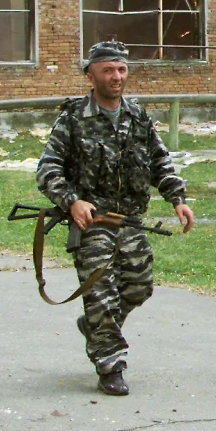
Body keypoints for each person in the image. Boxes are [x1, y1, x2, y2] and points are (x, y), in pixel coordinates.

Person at [36, 41, 194, 397]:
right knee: (100, 292)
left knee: (139, 285)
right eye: (108, 70)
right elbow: (48, 169)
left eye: (121, 69)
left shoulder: (137, 116)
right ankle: (111, 364)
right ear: (90, 75)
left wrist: (177, 199)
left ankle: (94, 326)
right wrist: (73, 202)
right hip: (92, 223)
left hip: (129, 220)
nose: (116, 77)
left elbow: (160, 162)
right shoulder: (74, 118)